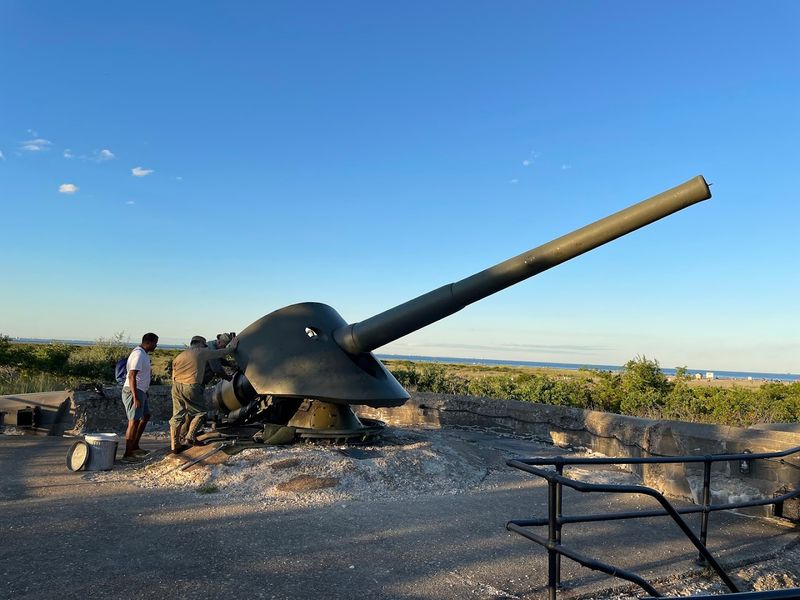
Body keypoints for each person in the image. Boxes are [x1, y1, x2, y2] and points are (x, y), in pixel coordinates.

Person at [170, 334, 239, 453]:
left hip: (176, 386)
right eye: (203, 344)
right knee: (200, 413)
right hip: (191, 386)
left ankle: (174, 445)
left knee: (178, 415)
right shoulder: (201, 352)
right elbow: (220, 354)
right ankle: (190, 438)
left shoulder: (180, 356)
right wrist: (232, 347)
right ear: (200, 344)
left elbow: (173, 373)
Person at [121, 332, 159, 462]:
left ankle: (135, 446)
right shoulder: (138, 354)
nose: (156, 346)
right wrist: (135, 396)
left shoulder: (142, 354)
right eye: (155, 343)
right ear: (148, 342)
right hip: (134, 391)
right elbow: (132, 375)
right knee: (133, 421)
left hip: (141, 391)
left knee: (145, 416)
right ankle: (127, 454)